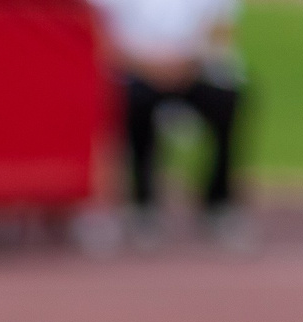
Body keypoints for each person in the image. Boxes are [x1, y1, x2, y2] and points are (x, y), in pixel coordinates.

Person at [89, 0, 251, 247]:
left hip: (195, 70)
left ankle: (218, 203)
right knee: (133, 101)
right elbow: (103, 36)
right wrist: (150, 67)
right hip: (138, 71)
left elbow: (220, 33)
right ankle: (143, 203)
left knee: (228, 100)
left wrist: (184, 65)